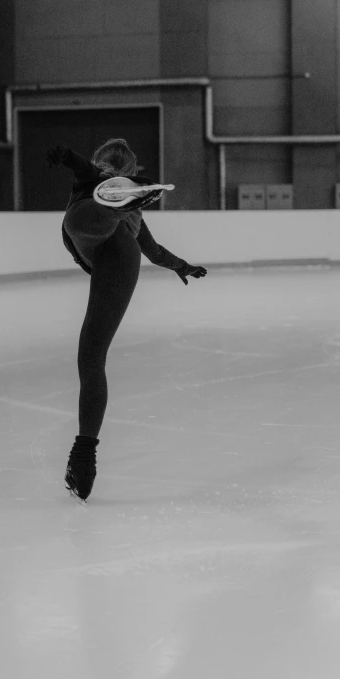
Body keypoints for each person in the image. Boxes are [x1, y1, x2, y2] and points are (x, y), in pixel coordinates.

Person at [46, 138, 207, 502]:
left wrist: (69, 156)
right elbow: (153, 252)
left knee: (83, 215)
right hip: (123, 258)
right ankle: (83, 460)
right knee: (93, 358)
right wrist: (183, 266)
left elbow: (87, 171)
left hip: (91, 226)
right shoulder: (132, 211)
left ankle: (110, 207)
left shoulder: (90, 181)